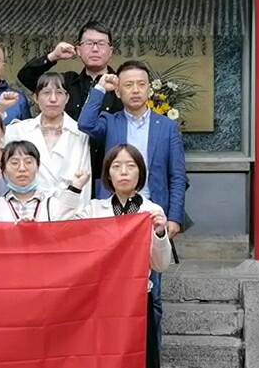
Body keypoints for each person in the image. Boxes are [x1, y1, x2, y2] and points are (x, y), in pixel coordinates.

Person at [71, 145, 171, 368]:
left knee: (138, 367)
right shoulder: (94, 210)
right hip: (101, 303)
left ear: (140, 172)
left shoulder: (151, 211)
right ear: (107, 174)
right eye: (116, 166)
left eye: (130, 166)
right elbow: (68, 234)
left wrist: (160, 233)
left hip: (137, 301)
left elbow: (160, 264)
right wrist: (74, 188)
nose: (123, 172)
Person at [78, 61, 188, 239]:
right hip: (114, 208)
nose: (135, 90)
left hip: (152, 211)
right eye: (128, 85)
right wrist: (100, 88)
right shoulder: (110, 122)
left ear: (149, 90)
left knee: (152, 257)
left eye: (141, 84)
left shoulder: (168, 127)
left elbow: (177, 175)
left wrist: (175, 217)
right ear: (118, 92)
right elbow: (85, 124)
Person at [3, 72, 92, 208]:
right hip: (28, 209)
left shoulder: (80, 133)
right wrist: (0, 107)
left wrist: (81, 215)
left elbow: (85, 181)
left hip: (70, 210)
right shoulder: (19, 130)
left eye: (59, 93)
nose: (53, 99)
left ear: (67, 98)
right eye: (46, 93)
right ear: (36, 97)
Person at [17, 21, 122, 120]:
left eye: (101, 44)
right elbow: (26, 76)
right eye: (89, 43)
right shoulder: (66, 82)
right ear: (78, 50)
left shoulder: (121, 83)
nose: (95, 49)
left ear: (110, 51)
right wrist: (53, 56)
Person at [0, 141, 81, 222]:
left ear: (38, 166)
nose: (22, 168)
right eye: (14, 163)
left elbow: (64, 229)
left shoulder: (51, 204)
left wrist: (75, 188)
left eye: (28, 162)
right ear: (4, 169)